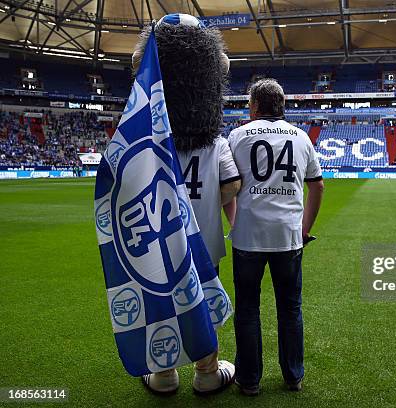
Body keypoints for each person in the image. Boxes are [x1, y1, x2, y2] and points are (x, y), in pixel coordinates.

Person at [131, 13, 238, 395]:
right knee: (203, 299)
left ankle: (163, 373)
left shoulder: (144, 146)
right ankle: (207, 371)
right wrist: (205, 204)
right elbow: (232, 186)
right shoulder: (217, 145)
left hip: (158, 240)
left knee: (161, 301)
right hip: (205, 240)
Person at [227, 79, 324, 396]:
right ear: (282, 105)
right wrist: (305, 228)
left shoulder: (237, 135)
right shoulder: (301, 137)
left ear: (254, 106)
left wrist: (234, 221)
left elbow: (227, 186)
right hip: (288, 237)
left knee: (247, 310)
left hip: (248, 237)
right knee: (290, 308)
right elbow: (317, 186)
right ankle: (293, 376)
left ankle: (249, 380)